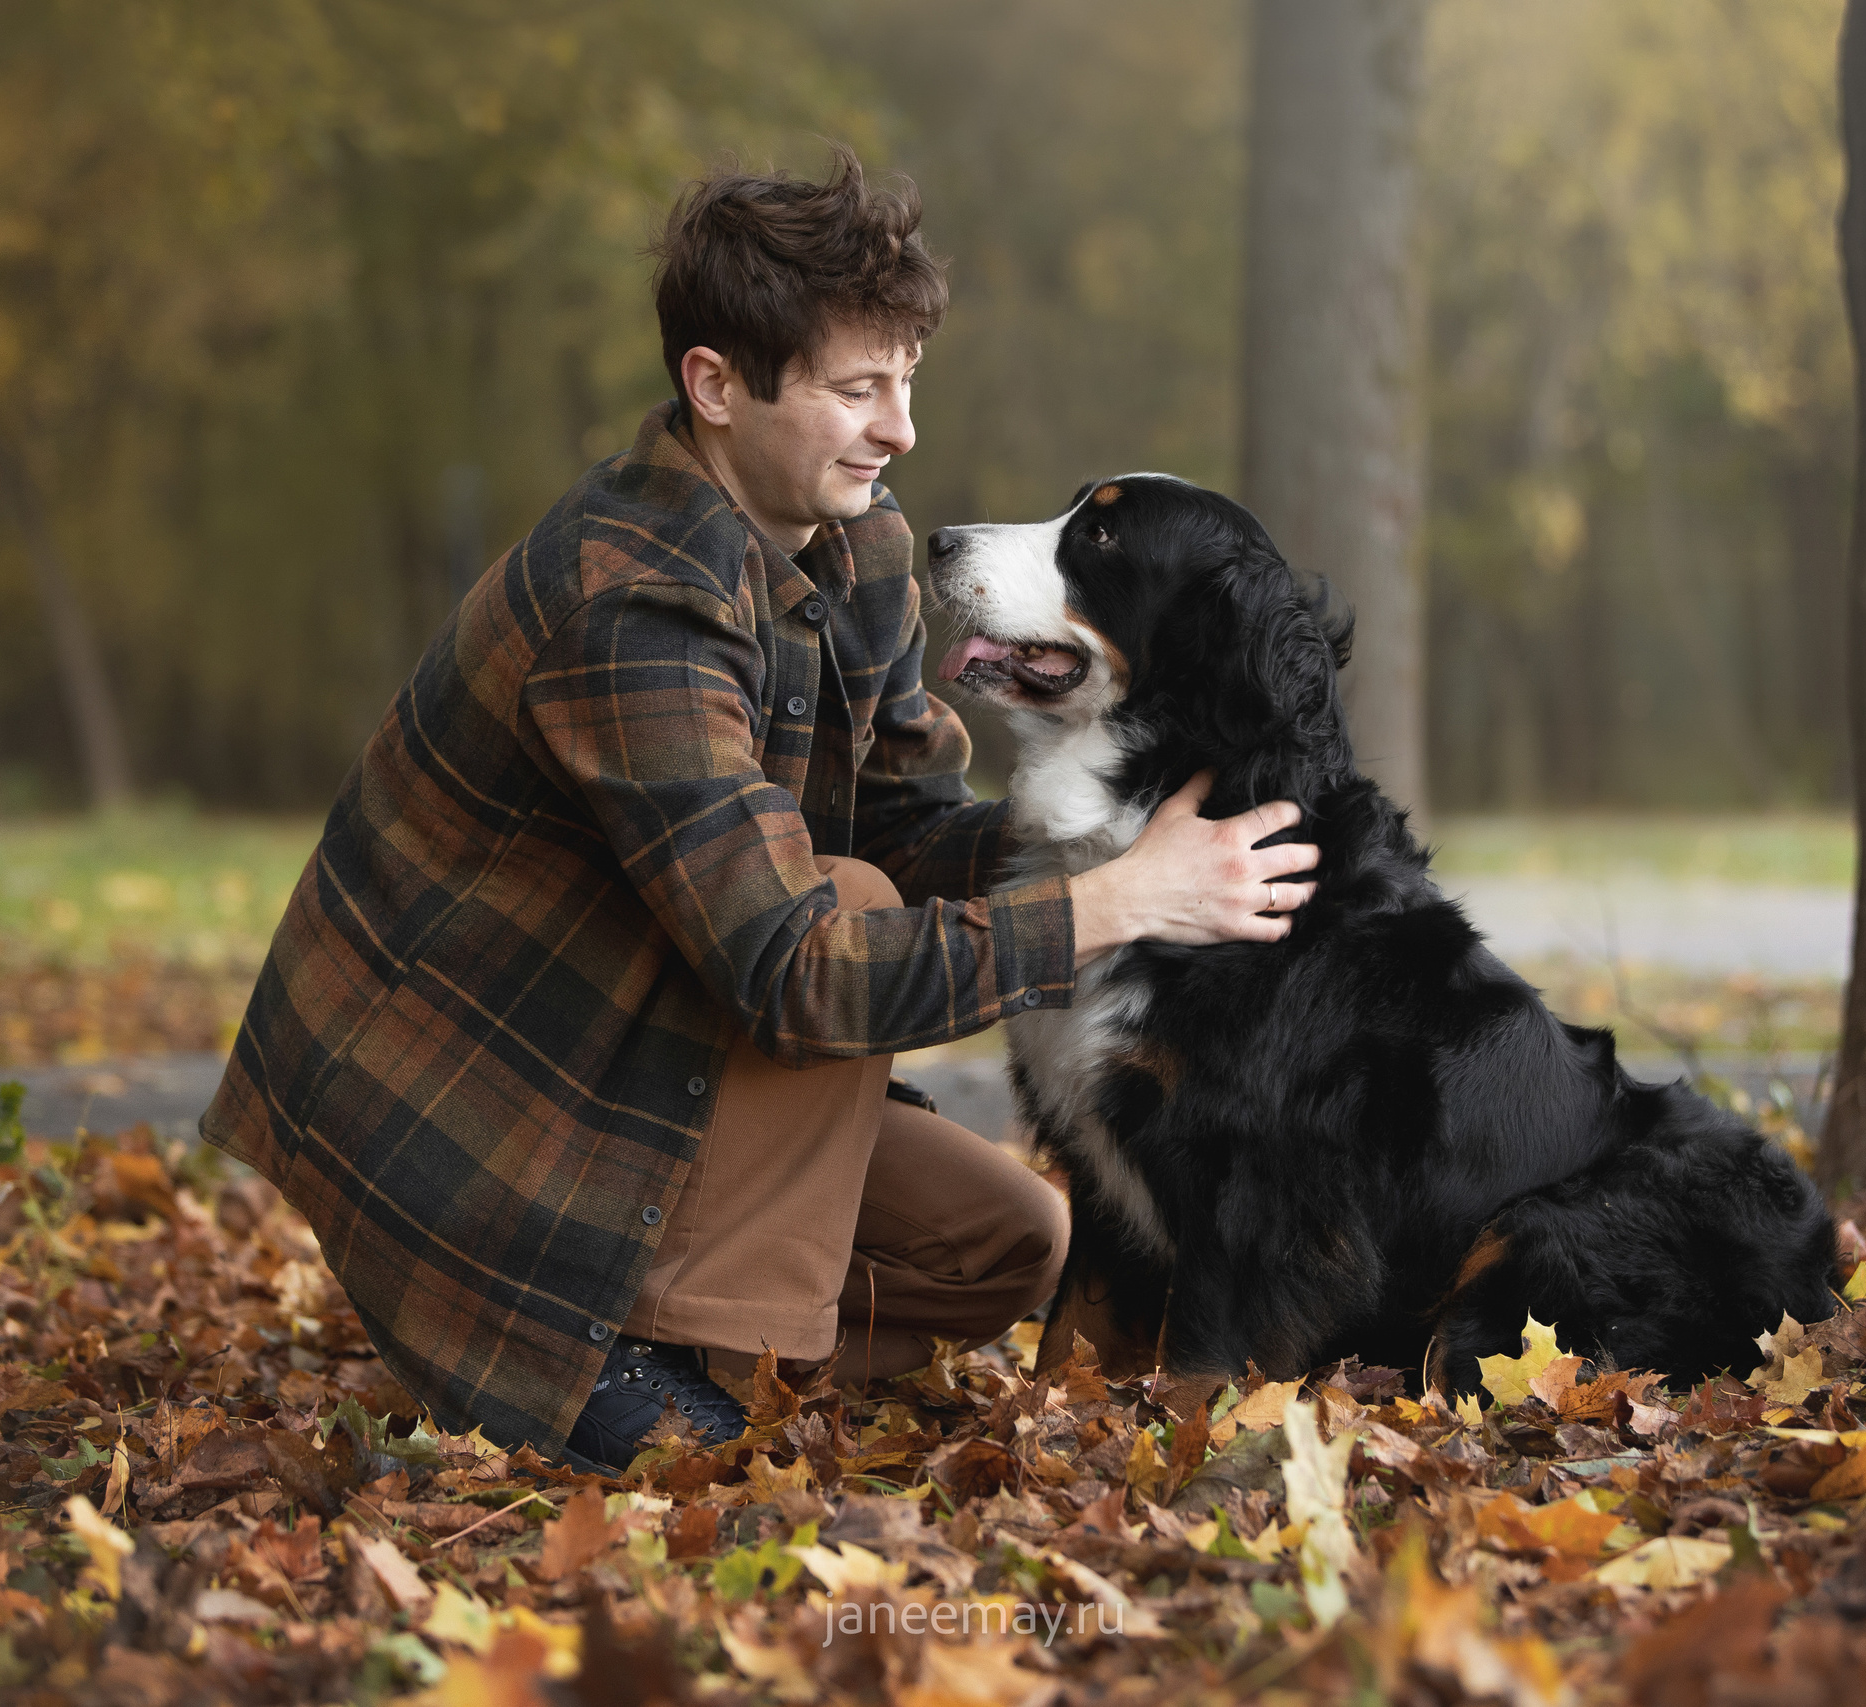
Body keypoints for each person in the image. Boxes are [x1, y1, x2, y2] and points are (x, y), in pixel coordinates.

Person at [199, 146, 1319, 1472]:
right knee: (836, 915)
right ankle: (575, 1357)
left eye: (906, 381)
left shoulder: (857, 548)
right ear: (716, 387)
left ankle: (694, 1348)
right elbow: (795, 972)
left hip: (643, 1047)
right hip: (484, 1126)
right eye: (859, 390)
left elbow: (907, 828)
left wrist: (1120, 842)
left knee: (1010, 1245)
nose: (900, 429)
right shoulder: (632, 610)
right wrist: (1109, 905)